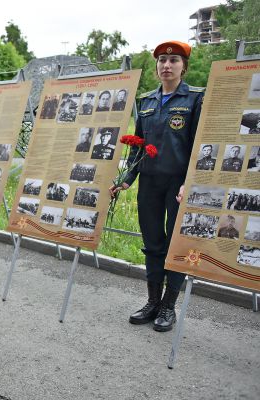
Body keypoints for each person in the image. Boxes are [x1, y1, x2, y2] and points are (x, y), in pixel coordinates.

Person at [109, 40, 204, 332]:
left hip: (178, 185)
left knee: (175, 245)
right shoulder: (147, 102)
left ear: (183, 67)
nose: (167, 65)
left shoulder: (195, 100)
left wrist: (191, 183)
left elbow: (200, 147)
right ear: (156, 67)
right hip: (149, 182)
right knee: (152, 243)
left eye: (174, 60)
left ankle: (168, 306)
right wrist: (126, 179)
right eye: (162, 61)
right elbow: (138, 145)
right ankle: (152, 302)